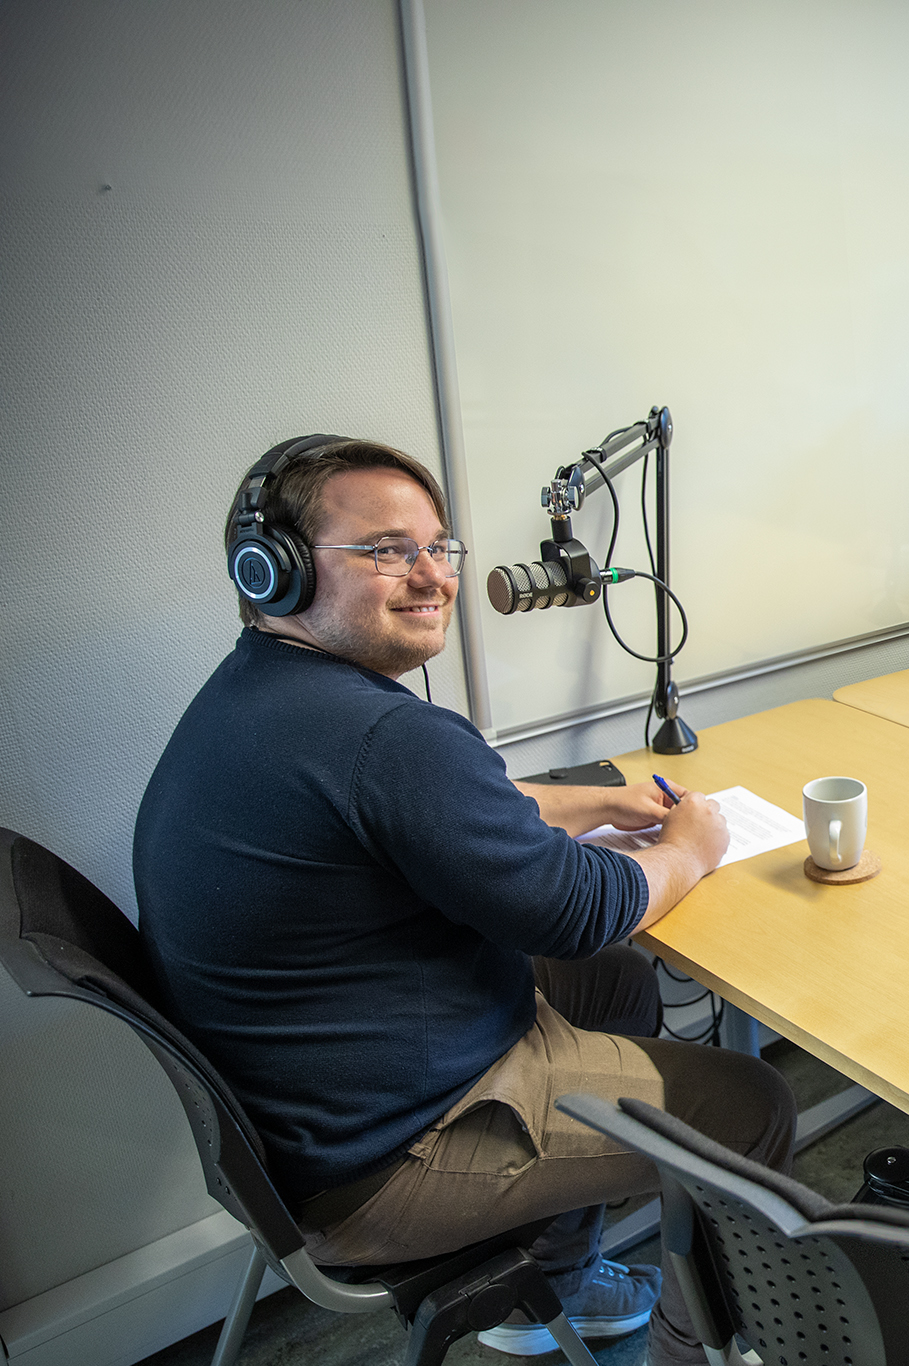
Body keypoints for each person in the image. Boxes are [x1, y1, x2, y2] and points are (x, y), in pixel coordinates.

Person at [135, 436, 794, 1364]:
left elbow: (445, 810)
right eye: (384, 549)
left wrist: (603, 802)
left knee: (609, 988)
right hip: (387, 1160)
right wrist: (687, 850)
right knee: (749, 1102)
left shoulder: (265, 698)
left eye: (438, 547)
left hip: (313, 1105)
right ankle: (699, 1353)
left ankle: (551, 1294)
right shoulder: (384, 737)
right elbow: (576, 906)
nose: (429, 574)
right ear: (274, 570)